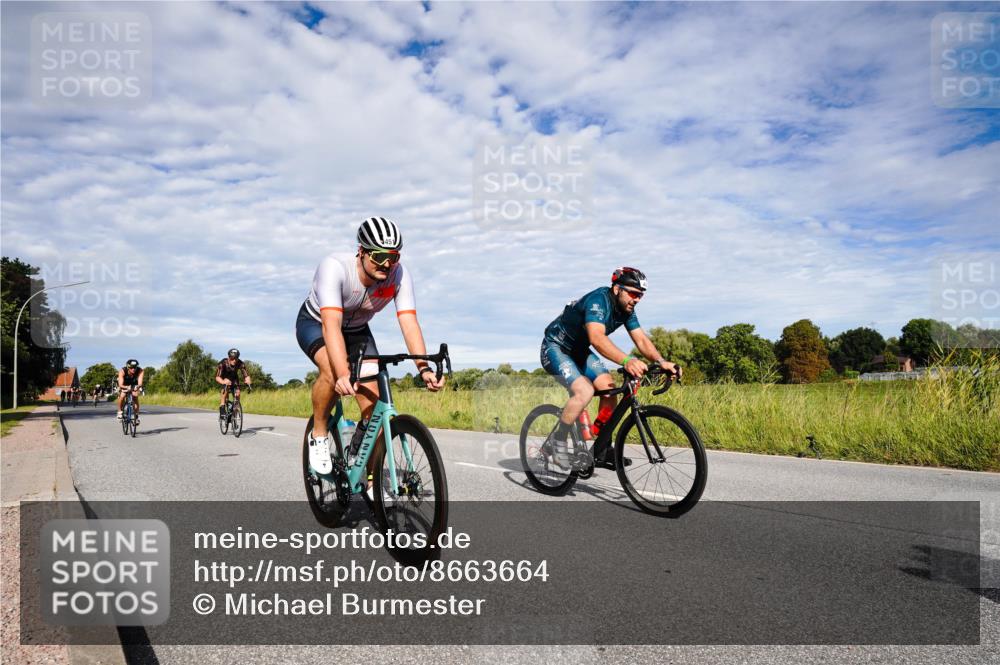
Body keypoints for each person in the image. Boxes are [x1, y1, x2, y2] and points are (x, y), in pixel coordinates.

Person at [296, 216, 444, 475]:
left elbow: (408, 321)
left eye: (393, 256)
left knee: (374, 412)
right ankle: (318, 433)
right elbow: (331, 325)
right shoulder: (334, 267)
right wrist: (343, 373)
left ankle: (367, 474)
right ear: (361, 252)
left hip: (357, 331)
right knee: (332, 372)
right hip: (317, 323)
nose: (387, 263)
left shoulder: (399, 274)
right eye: (378, 255)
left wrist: (423, 368)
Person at [540, 267, 680, 470]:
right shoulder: (598, 301)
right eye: (633, 293)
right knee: (584, 391)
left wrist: (661, 361)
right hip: (556, 347)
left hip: (579, 350)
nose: (637, 299)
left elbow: (641, 339)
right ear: (617, 289)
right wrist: (627, 361)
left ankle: (603, 448)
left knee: (609, 387)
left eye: (640, 295)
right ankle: (557, 441)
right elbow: (597, 338)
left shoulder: (626, 310)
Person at [216, 348, 252, 418]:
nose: (234, 360)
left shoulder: (240, 363)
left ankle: (234, 414)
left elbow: (246, 375)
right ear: (229, 357)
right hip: (224, 378)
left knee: (238, 393)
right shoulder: (223, 363)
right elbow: (217, 377)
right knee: (225, 387)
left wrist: (248, 381)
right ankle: (222, 406)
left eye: (236, 358)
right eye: (232, 358)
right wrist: (223, 382)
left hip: (234, 379)